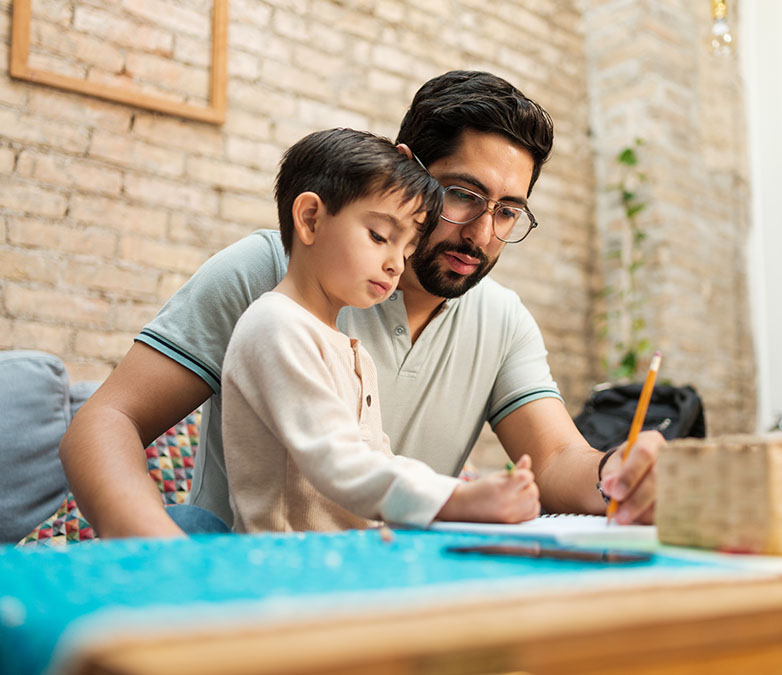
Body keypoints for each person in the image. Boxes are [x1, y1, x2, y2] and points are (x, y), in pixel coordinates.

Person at [59, 70, 664, 538]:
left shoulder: (502, 321)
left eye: (506, 211)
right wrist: (158, 553)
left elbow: (558, 458)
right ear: (409, 168)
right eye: (462, 195)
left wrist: (622, 470)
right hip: (239, 568)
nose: (481, 234)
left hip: (384, 581)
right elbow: (107, 422)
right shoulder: (270, 272)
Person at [223, 128, 539, 532]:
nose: (396, 264)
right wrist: (457, 499)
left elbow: (377, 459)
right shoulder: (276, 327)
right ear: (310, 219)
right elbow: (340, 464)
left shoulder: (346, 348)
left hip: (347, 564)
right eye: (379, 237)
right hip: (287, 570)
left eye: (406, 249)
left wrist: (472, 491)